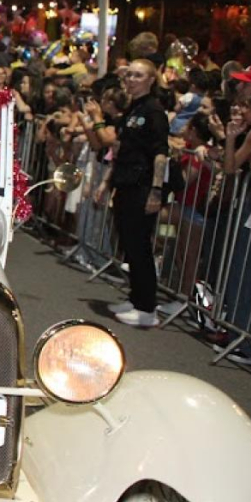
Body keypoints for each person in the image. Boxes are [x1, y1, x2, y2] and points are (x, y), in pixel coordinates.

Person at [95, 60, 171, 328]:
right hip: (126, 182)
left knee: (140, 247)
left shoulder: (154, 111)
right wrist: (108, 182)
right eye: (129, 75)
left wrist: (157, 190)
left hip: (143, 185)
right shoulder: (133, 109)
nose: (131, 79)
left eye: (138, 75)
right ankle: (136, 297)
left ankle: (147, 307)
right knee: (128, 242)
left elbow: (161, 152)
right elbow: (120, 148)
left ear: (151, 79)